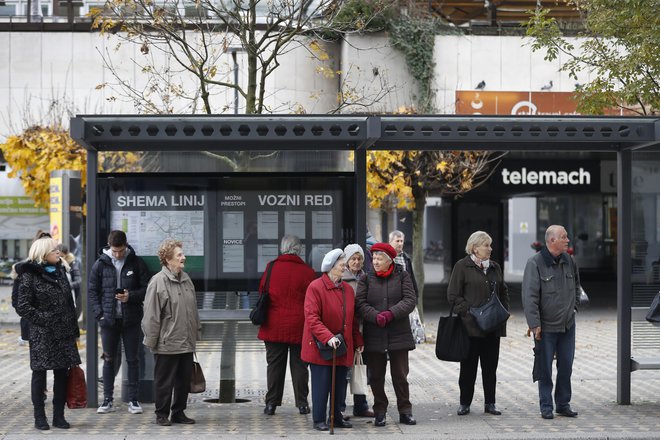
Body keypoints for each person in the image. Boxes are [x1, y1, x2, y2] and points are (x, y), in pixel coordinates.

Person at [15, 236, 81, 430]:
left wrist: (73, 330)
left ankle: (58, 417)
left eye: (58, 249)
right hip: (42, 333)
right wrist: (45, 319)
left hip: (63, 332)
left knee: (62, 373)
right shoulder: (29, 275)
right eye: (54, 250)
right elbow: (23, 306)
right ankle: (39, 417)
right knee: (39, 374)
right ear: (43, 254)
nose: (58, 252)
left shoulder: (60, 271)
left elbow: (69, 303)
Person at [447, 231, 509, 417]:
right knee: (468, 368)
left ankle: (490, 403)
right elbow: (453, 296)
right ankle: (464, 403)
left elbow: (503, 291)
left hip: (492, 326)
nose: (490, 249)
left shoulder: (495, 267)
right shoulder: (462, 266)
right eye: (486, 245)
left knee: (490, 368)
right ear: (475, 247)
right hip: (470, 327)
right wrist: (469, 312)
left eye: (490, 245)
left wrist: (503, 312)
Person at [522, 225, 581, 420]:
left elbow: (577, 286)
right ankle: (546, 405)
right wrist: (534, 324)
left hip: (567, 325)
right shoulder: (535, 263)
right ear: (552, 241)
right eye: (564, 237)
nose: (567, 240)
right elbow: (529, 296)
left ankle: (563, 404)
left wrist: (574, 308)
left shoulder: (569, 261)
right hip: (545, 327)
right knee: (544, 368)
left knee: (566, 366)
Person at [355, 242, 417, 427]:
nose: (375, 261)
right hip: (374, 334)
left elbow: (410, 300)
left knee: (400, 375)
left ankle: (405, 411)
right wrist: (375, 316)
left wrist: (391, 314)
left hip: (399, 333)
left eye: (379, 258)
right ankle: (380, 411)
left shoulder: (403, 275)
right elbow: (360, 303)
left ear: (389, 260)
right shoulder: (366, 278)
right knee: (376, 376)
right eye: (373, 258)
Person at [301, 249, 364, 431]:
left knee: (339, 385)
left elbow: (352, 320)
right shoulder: (316, 287)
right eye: (341, 265)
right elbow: (312, 318)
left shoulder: (347, 290)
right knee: (322, 385)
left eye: (344, 265)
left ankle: (336, 416)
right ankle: (319, 419)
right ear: (330, 267)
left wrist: (358, 341)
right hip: (321, 346)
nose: (345, 268)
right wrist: (328, 337)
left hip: (342, 345)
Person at [88, 230, 150, 415]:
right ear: (109, 246)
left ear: (126, 245)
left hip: (131, 319)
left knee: (133, 359)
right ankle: (107, 400)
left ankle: (133, 400)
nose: (117, 254)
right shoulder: (100, 264)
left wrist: (130, 296)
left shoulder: (136, 263)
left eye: (120, 250)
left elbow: (147, 289)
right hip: (108, 321)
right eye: (114, 251)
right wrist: (99, 315)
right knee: (109, 360)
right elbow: (92, 291)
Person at [142, 239, 201, 426]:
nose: (184, 257)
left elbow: (193, 310)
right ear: (168, 259)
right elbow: (151, 315)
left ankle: (178, 412)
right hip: (166, 343)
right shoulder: (158, 282)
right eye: (179, 255)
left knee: (183, 381)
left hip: (185, 341)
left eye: (182, 254)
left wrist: (196, 334)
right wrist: (151, 341)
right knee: (164, 382)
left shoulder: (186, 279)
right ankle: (161, 414)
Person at [258, 235, 316, 416]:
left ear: (282, 248)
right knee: (300, 366)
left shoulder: (271, 267)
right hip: (300, 326)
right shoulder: (307, 271)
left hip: (273, 325)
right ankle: (302, 404)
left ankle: (271, 404)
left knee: (274, 365)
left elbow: (262, 290)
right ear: (298, 250)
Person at [340, 243, 374, 418]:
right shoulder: (341, 279)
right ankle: (339, 407)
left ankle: (361, 405)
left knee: (360, 367)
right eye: (353, 258)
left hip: (363, 329)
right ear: (346, 260)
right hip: (346, 329)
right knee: (344, 369)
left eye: (359, 258)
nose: (356, 262)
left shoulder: (366, 278)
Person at [388, 230, 418, 296]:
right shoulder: (385, 256)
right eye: (397, 241)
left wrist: (415, 295)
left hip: (405, 293)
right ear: (390, 242)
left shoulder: (406, 258)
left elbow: (411, 277)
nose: (400, 243)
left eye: (401, 241)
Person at [57, 244, 82, 319]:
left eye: (62, 256)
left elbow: (78, 280)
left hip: (71, 296)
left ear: (66, 255)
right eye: (59, 256)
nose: (60, 258)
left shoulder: (73, 263)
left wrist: (67, 286)